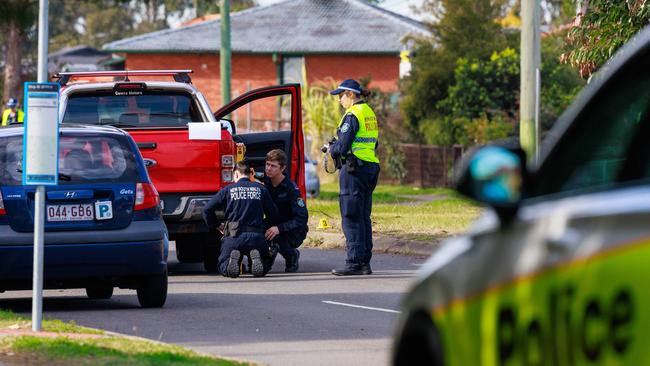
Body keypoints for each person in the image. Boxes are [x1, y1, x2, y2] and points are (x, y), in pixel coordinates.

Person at [327, 79, 380, 276]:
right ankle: (365, 262)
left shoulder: (352, 115)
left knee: (351, 216)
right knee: (364, 216)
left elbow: (341, 147)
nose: (339, 100)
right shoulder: (369, 112)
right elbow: (373, 143)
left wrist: (331, 148)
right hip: (370, 167)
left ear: (350, 94)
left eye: (340, 96)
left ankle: (353, 263)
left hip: (354, 169)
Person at [202, 160, 278, 278]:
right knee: (264, 265)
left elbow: (207, 209)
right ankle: (256, 259)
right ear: (250, 174)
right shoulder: (261, 189)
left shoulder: (227, 190)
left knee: (223, 266)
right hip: (256, 236)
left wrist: (217, 225)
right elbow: (273, 213)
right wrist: (264, 226)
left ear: (236, 174)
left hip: (233, 236)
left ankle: (231, 263)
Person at [262, 149, 308, 273]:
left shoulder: (291, 189)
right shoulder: (265, 183)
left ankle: (292, 255)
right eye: (267, 164)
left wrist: (280, 228)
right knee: (253, 230)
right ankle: (264, 259)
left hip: (292, 229)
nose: (268, 169)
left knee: (277, 238)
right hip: (273, 223)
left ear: (282, 168)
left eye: (273, 166)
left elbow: (302, 218)